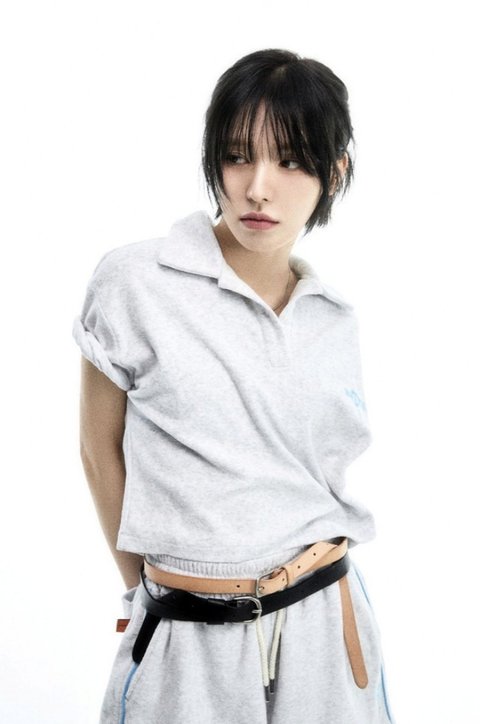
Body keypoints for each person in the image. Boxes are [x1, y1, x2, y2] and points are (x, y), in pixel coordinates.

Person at [73, 48, 395, 724]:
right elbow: (100, 450)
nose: (258, 188)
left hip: (324, 623)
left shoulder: (333, 316)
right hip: (186, 625)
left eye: (293, 161)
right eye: (237, 156)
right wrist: (147, 591)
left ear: (334, 173)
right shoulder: (135, 282)